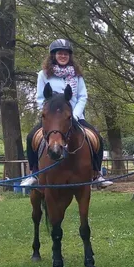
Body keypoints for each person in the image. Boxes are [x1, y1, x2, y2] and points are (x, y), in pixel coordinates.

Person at [21, 39, 112, 188]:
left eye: (66, 54)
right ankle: (34, 174)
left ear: (69, 56)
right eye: (60, 53)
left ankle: (97, 174)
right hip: (52, 118)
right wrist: (48, 115)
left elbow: (82, 96)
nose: (63, 56)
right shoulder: (43, 75)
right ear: (53, 55)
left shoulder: (77, 75)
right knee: (31, 136)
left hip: (74, 116)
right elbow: (40, 98)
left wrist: (75, 114)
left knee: (97, 137)